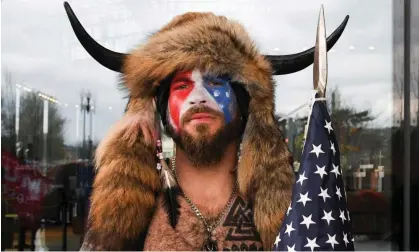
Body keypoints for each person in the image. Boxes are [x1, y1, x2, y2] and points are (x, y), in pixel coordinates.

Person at [63, 2, 348, 250]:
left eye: (214, 82)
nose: (199, 97)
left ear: (242, 104)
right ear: (161, 111)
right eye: (182, 86)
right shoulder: (134, 212)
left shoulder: (294, 214)